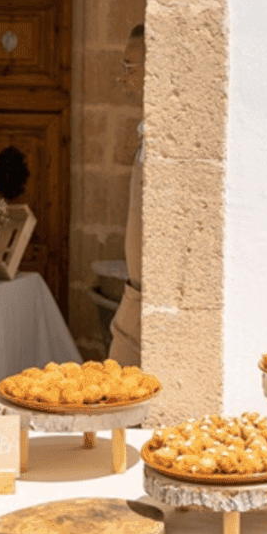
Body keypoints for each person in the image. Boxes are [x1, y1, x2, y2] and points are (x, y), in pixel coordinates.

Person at [109, 25, 145, 366]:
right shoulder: (145, 134)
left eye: (130, 67)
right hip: (137, 292)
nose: (123, 78)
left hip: (144, 295)